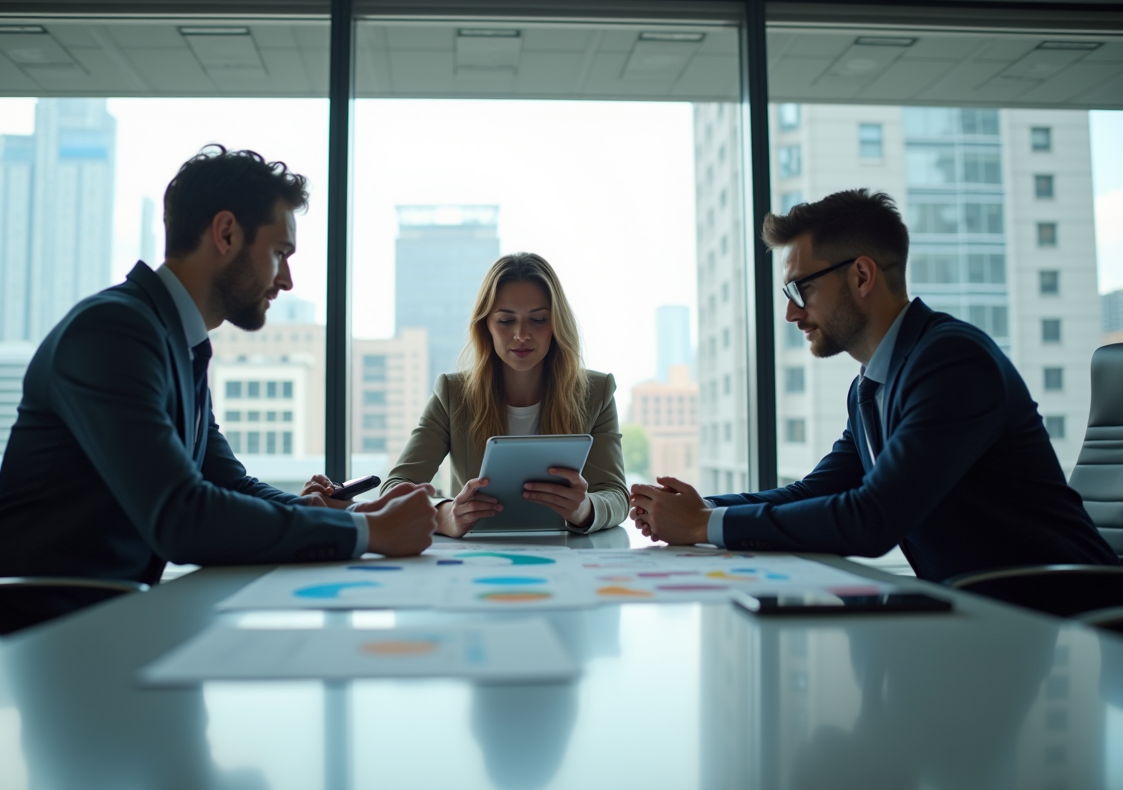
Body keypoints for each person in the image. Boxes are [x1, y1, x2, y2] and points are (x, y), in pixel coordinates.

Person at [0, 146, 436, 631]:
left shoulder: (176, 342)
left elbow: (228, 482)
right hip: (26, 636)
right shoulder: (112, 331)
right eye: (279, 253)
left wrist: (340, 512)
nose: (286, 280)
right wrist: (368, 531)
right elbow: (182, 517)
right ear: (226, 233)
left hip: (102, 622)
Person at [630, 189, 1117, 582]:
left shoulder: (952, 362)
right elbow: (815, 492)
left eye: (802, 289)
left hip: (1069, 620)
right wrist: (701, 508)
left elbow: (872, 518)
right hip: (985, 618)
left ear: (861, 275)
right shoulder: (871, 386)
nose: (791, 312)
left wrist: (701, 525)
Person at [380, 253, 628, 537]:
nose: (521, 334)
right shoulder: (453, 394)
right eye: (506, 321)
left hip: (567, 552)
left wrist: (585, 510)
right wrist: (446, 514)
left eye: (538, 320)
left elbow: (616, 495)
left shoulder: (596, 392)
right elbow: (395, 486)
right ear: (485, 325)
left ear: (556, 325)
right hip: (476, 556)